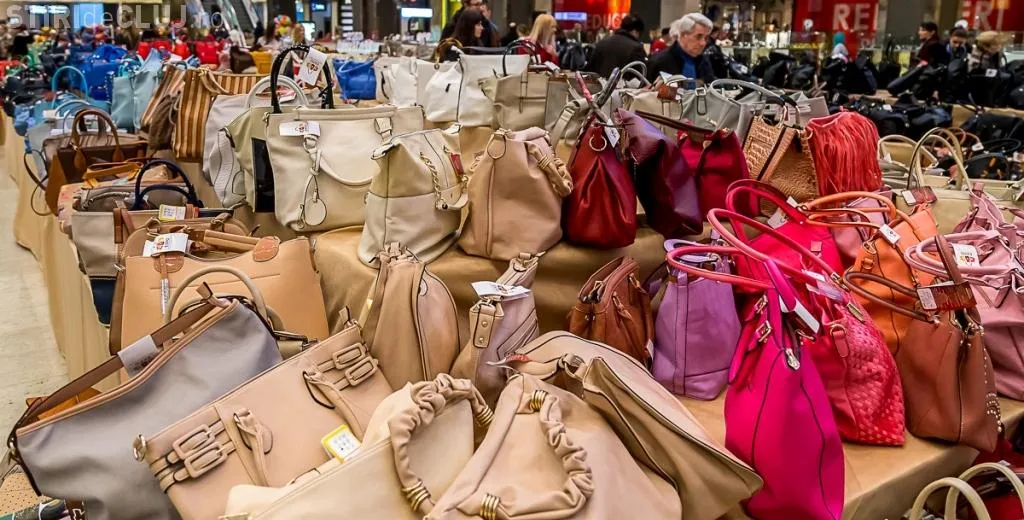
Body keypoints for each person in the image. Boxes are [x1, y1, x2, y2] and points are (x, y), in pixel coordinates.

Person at [646, 13, 714, 83]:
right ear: (683, 35)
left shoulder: (703, 61)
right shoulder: (659, 62)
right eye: (698, 37)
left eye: (706, 38)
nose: (703, 43)